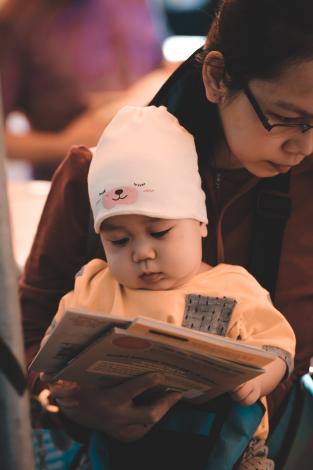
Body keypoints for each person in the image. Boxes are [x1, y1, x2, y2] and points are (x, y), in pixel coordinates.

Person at [20, 0, 313, 466]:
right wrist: (75, 406)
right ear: (217, 78)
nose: (304, 145)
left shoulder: (305, 186)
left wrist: (230, 427)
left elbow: (295, 345)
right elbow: (28, 336)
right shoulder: (98, 179)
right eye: (286, 117)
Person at [40, 105, 295, 468]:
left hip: (223, 446)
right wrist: (62, 386)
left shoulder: (231, 286)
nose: (142, 253)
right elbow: (56, 353)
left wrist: (262, 379)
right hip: (117, 446)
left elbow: (279, 344)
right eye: (119, 241)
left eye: (160, 232)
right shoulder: (96, 285)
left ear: (200, 223)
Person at [0, 0, 166, 179]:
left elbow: (159, 66)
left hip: (151, 177)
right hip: (73, 189)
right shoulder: (17, 19)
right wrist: (62, 145)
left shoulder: (138, 4)